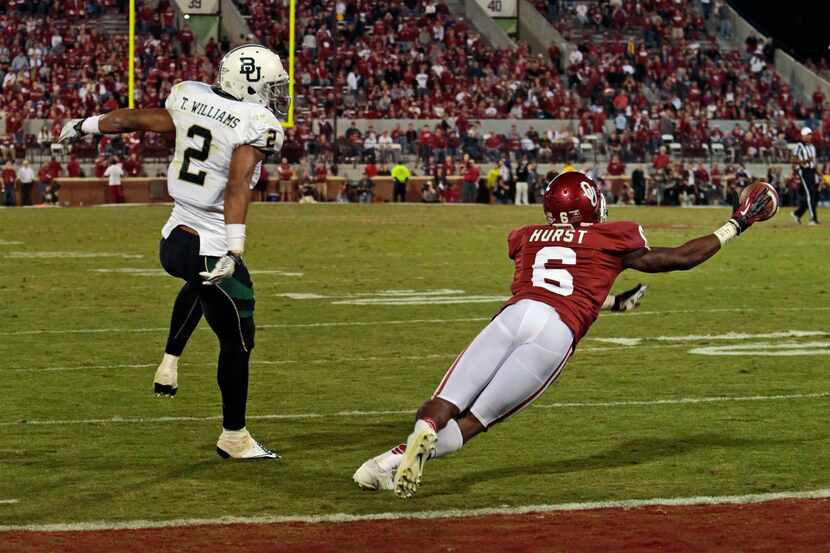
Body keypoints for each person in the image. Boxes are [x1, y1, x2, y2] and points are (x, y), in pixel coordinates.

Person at [353, 170, 775, 497]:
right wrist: (736, 223)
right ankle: (391, 462)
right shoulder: (611, 235)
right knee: (475, 421)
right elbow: (677, 259)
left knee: (446, 400)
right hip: (554, 334)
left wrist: (613, 303)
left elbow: (549, 285)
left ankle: (396, 453)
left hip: (514, 316)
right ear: (590, 203)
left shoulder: (528, 237)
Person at [58, 44, 290, 460]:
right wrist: (234, 251)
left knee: (199, 289)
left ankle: (170, 360)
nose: (276, 96)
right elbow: (238, 185)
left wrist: (84, 124)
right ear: (249, 85)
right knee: (237, 342)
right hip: (211, 242)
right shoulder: (255, 120)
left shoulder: (192, 97)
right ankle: (234, 437)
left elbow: (138, 118)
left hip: (174, 238)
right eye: (271, 87)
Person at [792, 127, 819, 225]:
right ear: (803, 136)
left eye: (810, 134)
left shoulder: (812, 147)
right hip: (804, 171)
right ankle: (813, 218)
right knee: (810, 194)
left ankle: (797, 214)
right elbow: (793, 160)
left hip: (812, 172)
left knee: (813, 195)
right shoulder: (799, 146)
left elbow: (814, 162)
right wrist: (805, 161)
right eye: (808, 134)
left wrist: (819, 174)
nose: (810, 136)